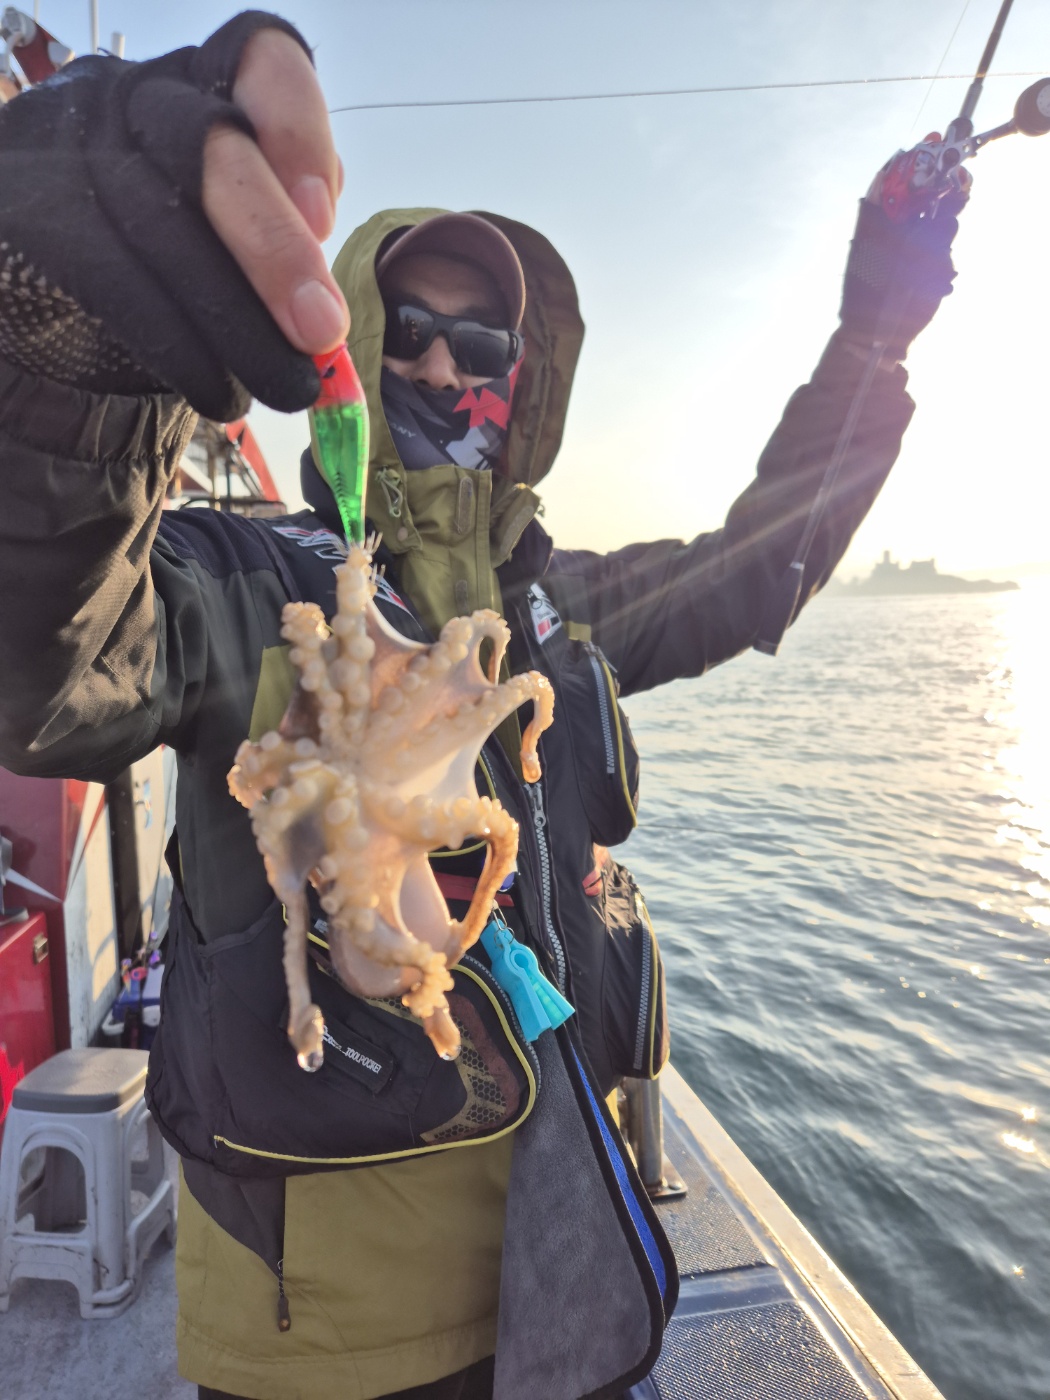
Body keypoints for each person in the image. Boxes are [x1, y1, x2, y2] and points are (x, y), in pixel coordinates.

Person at [0, 13, 965, 1400]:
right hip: (325, 1339)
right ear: (350, 342)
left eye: (482, 342)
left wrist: (873, 338)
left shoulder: (555, 609)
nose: (447, 372)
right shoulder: (236, 583)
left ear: (527, 380)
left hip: (571, 1272)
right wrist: (62, 352)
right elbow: (50, 664)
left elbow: (766, 563)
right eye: (409, 336)